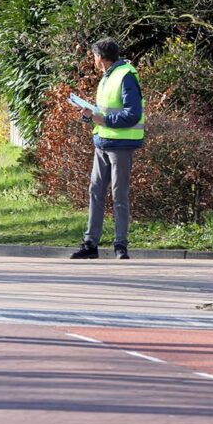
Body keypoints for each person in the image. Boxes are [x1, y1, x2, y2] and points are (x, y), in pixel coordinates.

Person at [71, 38, 145, 260]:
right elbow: (102, 115)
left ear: (100, 57)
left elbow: (132, 114)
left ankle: (120, 246)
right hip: (102, 143)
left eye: (94, 56)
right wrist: (90, 117)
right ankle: (90, 244)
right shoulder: (108, 77)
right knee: (95, 192)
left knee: (119, 195)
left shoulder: (125, 76)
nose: (93, 60)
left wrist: (101, 119)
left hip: (120, 145)